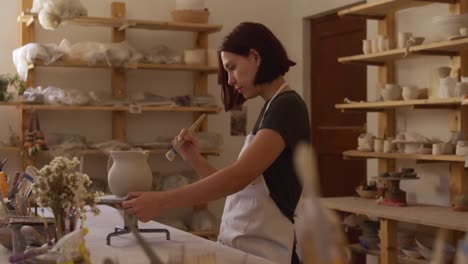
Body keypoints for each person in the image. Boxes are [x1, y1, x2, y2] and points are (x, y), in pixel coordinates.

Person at [122, 22, 310, 264]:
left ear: (255, 56)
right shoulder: (271, 108)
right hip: (247, 247)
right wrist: (194, 158)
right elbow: (241, 190)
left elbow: (237, 178)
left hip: (268, 253)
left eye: (232, 68)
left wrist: (161, 201)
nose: (230, 80)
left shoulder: (288, 107)